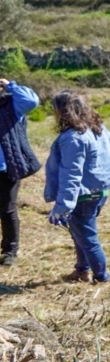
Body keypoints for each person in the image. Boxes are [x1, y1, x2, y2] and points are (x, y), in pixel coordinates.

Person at [44, 91, 110, 284]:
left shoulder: (73, 138)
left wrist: (61, 207)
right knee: (79, 232)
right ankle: (82, 271)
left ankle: (102, 278)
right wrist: (98, 169)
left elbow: (71, 175)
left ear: (63, 112)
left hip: (83, 195)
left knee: (87, 237)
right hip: (99, 191)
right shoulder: (98, 128)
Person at [0, 78, 41, 267]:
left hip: (7, 167)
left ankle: (10, 251)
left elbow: (32, 101)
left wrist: (11, 85)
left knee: (7, 210)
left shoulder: (11, 105)